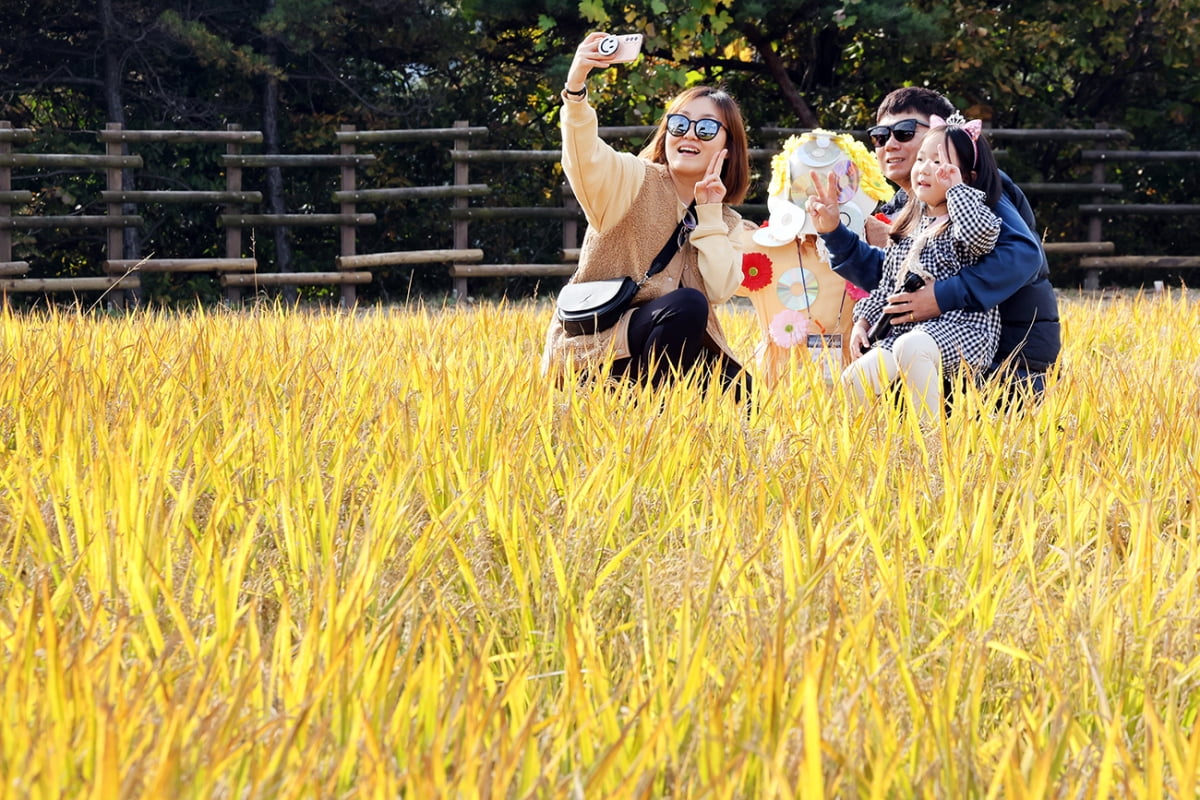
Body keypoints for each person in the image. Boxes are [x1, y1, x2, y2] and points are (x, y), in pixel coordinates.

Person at [540, 32, 752, 401]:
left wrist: (710, 213)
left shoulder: (728, 222)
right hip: (596, 347)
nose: (689, 135)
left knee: (744, 394)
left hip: (671, 342)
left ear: (728, 147)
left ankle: (654, 416)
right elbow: (583, 158)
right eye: (679, 124)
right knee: (687, 307)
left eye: (705, 129)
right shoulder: (633, 178)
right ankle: (641, 414)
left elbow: (720, 288)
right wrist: (575, 89)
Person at [825, 87, 1061, 402]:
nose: (891, 144)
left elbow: (1022, 256)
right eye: (880, 136)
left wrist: (939, 296)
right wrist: (835, 235)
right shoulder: (906, 207)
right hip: (933, 360)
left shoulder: (977, 189)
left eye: (905, 132)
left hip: (1001, 372)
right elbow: (889, 279)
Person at [808, 117, 1003, 423]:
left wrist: (957, 191)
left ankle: (930, 441)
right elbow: (889, 285)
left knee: (912, 346)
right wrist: (863, 321)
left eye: (939, 162)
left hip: (965, 332)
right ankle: (869, 448)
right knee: (853, 380)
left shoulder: (970, 221)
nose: (925, 168)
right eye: (922, 158)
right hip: (906, 335)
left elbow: (980, 235)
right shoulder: (910, 226)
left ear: (969, 177)